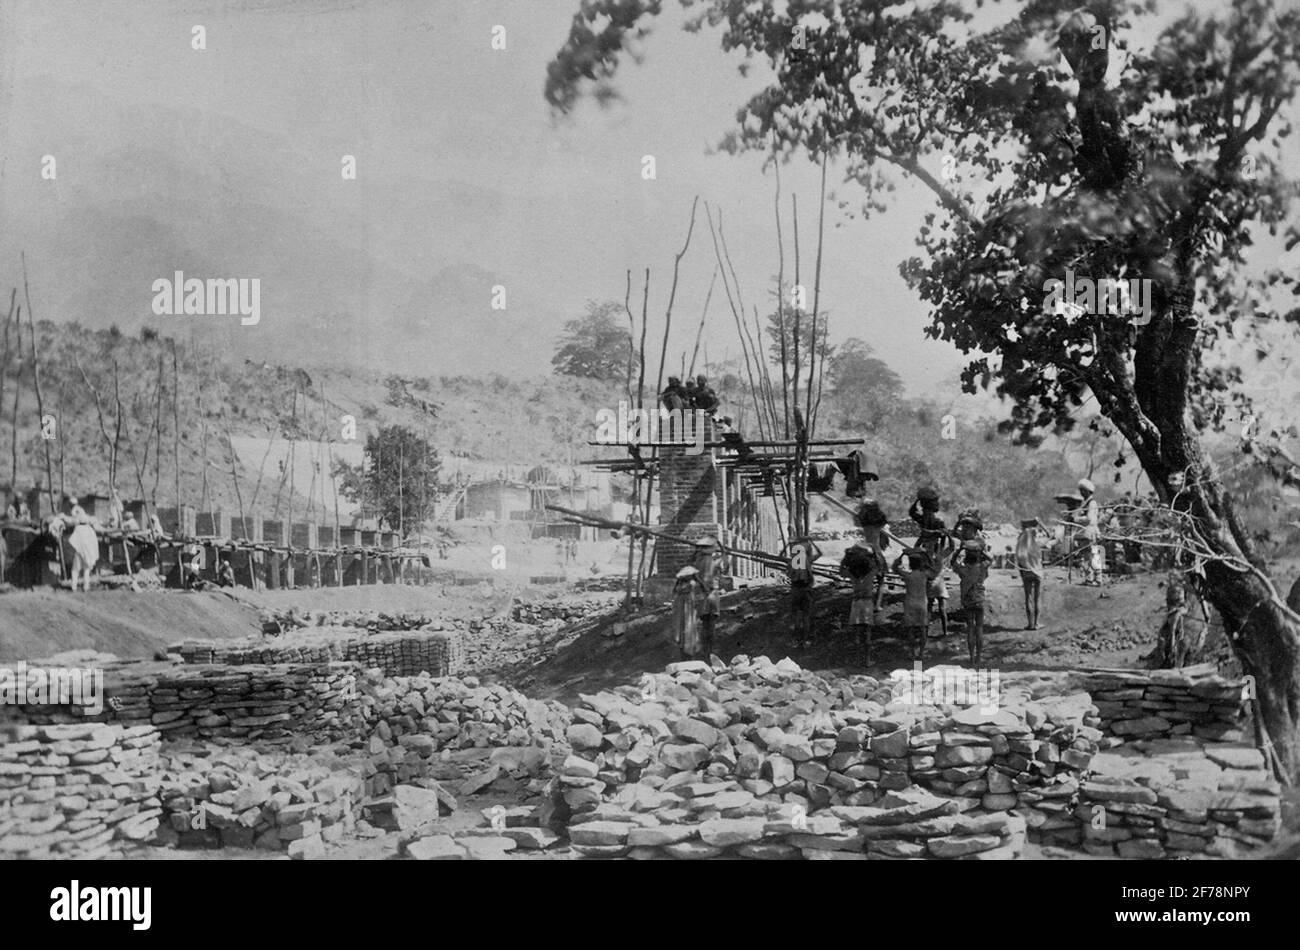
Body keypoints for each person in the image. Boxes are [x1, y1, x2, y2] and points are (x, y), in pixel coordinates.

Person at [893, 551, 940, 661]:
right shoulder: (924, 574)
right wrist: (927, 556)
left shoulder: (908, 575)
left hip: (910, 602)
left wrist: (902, 555)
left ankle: (912, 653)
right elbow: (935, 571)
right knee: (923, 628)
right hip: (922, 603)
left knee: (910, 629)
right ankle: (921, 653)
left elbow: (895, 567)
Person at [951, 539, 992, 665]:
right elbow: (990, 560)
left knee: (970, 629)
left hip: (967, 600)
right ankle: (979, 656)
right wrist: (981, 551)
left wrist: (959, 549)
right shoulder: (982, 567)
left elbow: (952, 562)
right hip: (979, 599)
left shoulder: (963, 570)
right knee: (979, 628)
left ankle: (971, 657)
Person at [841, 543, 882, 661]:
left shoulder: (853, 577)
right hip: (867, 603)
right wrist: (874, 554)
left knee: (857, 633)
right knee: (868, 633)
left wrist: (846, 557)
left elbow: (842, 571)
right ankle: (867, 660)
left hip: (856, 603)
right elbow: (878, 566)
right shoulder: (870, 575)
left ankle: (858, 660)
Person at [783, 535, 823, 648]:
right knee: (806, 616)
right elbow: (820, 553)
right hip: (806, 589)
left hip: (795, 590)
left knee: (796, 616)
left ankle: (796, 640)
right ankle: (804, 641)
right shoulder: (808, 559)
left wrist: (787, 544)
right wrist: (812, 542)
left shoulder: (792, 561)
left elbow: (782, 560)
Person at [692, 537, 726, 657]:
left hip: (702, 593)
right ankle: (708, 650)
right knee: (710, 623)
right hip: (711, 592)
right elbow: (723, 563)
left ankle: (704, 650)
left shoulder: (697, 561)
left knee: (705, 621)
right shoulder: (712, 561)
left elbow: (695, 576)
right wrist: (722, 549)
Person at [1016, 517, 1046, 630]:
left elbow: (1019, 561)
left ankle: (1030, 624)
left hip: (1026, 572)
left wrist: (1022, 573)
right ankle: (1037, 623)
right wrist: (1041, 524)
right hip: (1038, 573)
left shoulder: (1021, 545)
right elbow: (1052, 537)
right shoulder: (1038, 543)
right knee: (1037, 598)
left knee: (1028, 597)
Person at [66, 503, 100, 593]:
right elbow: (94, 542)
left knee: (75, 570)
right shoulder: (90, 530)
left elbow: (73, 540)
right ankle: (86, 587)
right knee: (86, 570)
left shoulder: (77, 529)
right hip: (88, 553)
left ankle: (74, 587)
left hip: (79, 552)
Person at [1076, 478, 1103, 585]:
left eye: (1083, 491)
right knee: (1089, 556)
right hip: (1086, 533)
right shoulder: (1086, 503)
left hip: (1090, 532)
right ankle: (1092, 579)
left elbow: (1089, 519)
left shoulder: (1092, 503)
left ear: (1088, 491)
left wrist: (1076, 519)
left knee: (1092, 556)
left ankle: (1095, 579)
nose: (1081, 493)